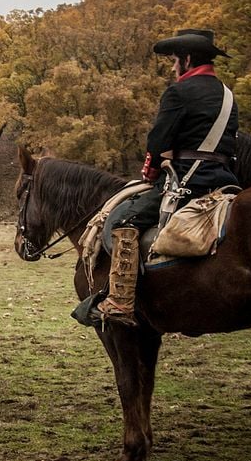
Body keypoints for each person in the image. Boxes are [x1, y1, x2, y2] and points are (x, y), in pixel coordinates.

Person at [97, 28, 238, 325]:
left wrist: (149, 171)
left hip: (187, 182)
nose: (174, 67)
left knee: (124, 221)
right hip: (225, 182)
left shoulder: (179, 92)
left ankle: (121, 301)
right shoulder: (228, 95)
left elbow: (158, 142)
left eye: (175, 60)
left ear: (187, 59)